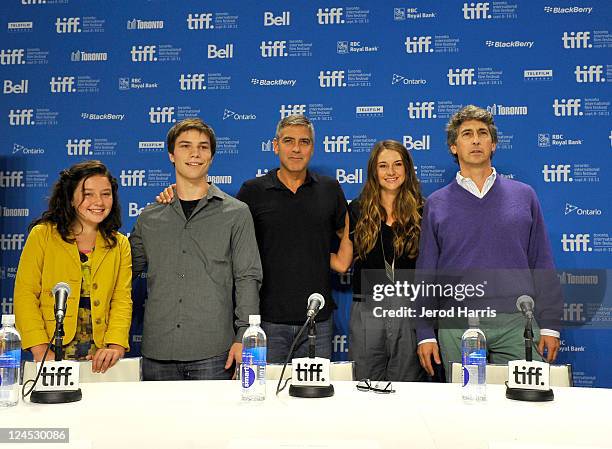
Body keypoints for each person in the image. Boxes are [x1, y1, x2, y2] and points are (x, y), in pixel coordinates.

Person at [415, 105, 562, 378]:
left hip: (517, 322)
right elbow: (427, 274)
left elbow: (542, 261)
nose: (475, 139)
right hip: (457, 324)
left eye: (483, 133)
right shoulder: (436, 204)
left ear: (493, 144)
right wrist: (424, 332)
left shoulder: (524, 196)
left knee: (522, 409)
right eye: (467, 134)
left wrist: (551, 325)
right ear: (453, 147)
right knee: (465, 411)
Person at [130, 118, 262, 381]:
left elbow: (247, 278)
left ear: (211, 156)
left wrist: (244, 336)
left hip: (214, 354)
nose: (194, 153)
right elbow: (121, 271)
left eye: (203, 147)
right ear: (171, 154)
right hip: (158, 353)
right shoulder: (149, 217)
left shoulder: (236, 213)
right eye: (185, 146)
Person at [236, 115, 348, 363]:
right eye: (288, 141)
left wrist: (324, 257)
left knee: (315, 400)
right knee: (267, 399)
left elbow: (347, 235)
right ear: (275, 146)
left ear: (312, 148)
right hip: (267, 322)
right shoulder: (252, 191)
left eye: (304, 142)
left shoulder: (330, 189)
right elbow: (235, 248)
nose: (296, 148)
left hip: (317, 323)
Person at [14, 160, 132, 373]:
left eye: (106, 194)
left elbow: (121, 299)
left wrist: (115, 347)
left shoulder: (120, 244)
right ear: (70, 197)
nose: (98, 201)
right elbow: (25, 294)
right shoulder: (43, 235)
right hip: (51, 350)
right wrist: (41, 351)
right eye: (88, 194)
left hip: (101, 357)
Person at [331, 140, 427, 382]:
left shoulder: (424, 211)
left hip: (409, 307)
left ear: (407, 168)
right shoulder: (357, 210)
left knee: (406, 385)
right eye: (383, 166)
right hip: (367, 307)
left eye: (397, 164)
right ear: (374, 171)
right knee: (365, 384)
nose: (391, 172)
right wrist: (304, 248)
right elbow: (343, 263)